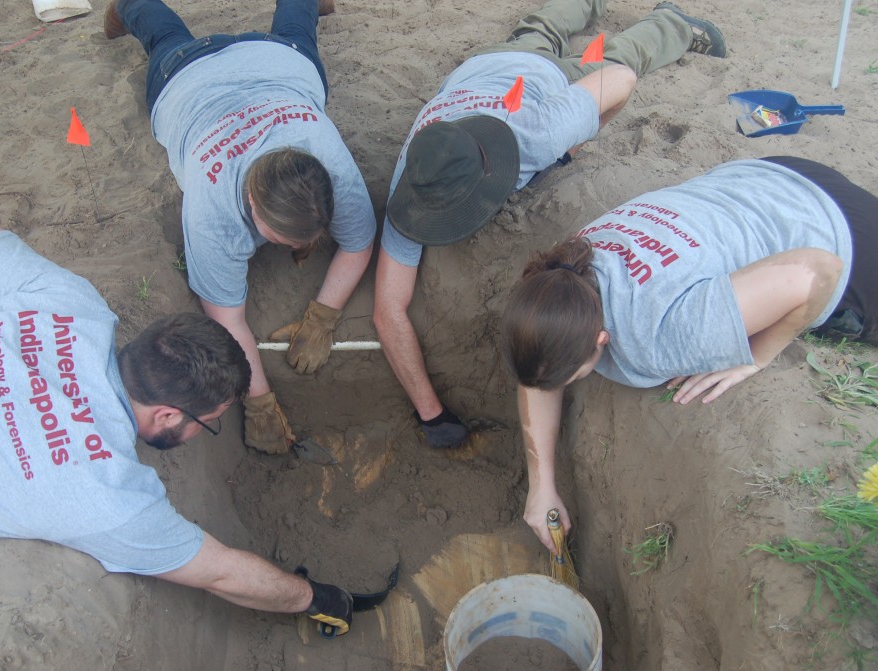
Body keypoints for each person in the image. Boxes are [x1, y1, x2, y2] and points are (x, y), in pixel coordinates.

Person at [0, 224, 354, 636]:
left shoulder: (73, 304)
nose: (211, 429)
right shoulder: (103, 494)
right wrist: (314, 597)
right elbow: (222, 572)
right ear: (167, 416)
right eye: (211, 422)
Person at [373, 0, 726, 448]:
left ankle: (672, 23)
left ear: (491, 177)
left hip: (549, 85)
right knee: (536, 33)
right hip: (488, 62)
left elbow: (620, 83)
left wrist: (574, 146)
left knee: (614, 58)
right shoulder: (420, 180)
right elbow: (388, 311)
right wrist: (432, 414)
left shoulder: (534, 135)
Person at [501, 157, 878, 551]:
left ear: (600, 340)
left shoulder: (665, 335)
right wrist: (541, 487)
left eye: (574, 375)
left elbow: (819, 271)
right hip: (770, 176)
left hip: (842, 236)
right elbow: (541, 369)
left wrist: (756, 357)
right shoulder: (565, 272)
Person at [104, 0, 376, 455]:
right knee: (164, 38)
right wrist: (260, 404)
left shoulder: (330, 166)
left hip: (278, 61)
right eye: (282, 240)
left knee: (297, 29)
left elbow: (360, 241)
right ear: (251, 203)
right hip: (184, 79)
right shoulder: (211, 214)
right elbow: (228, 321)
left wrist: (323, 318)